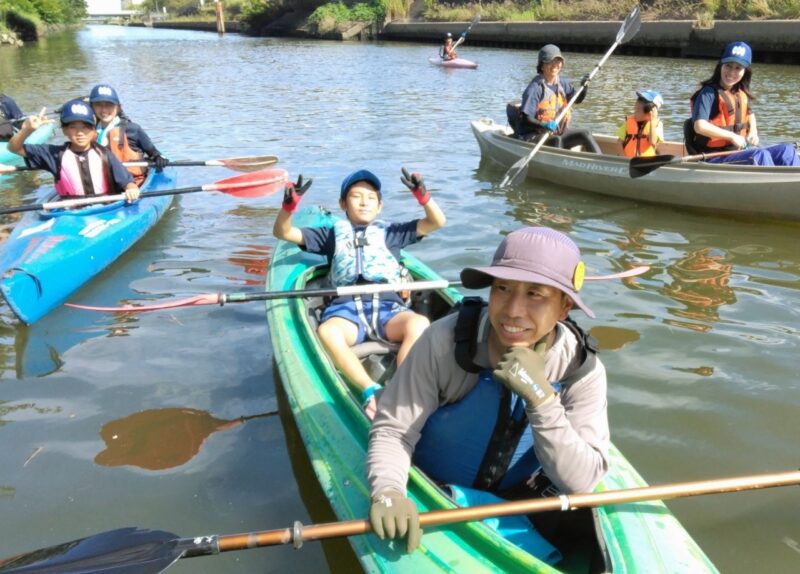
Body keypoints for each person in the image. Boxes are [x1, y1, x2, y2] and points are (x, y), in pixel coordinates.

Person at [366, 227, 609, 554]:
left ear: (565, 307)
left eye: (535, 294)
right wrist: (389, 492)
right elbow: (394, 431)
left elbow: (582, 482)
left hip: (517, 501)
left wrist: (542, 400)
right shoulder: (443, 342)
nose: (512, 310)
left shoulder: (581, 370)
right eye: (503, 288)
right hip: (429, 489)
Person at [273, 168, 447, 419]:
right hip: (347, 310)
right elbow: (283, 232)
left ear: (380, 205)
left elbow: (436, 222)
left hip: (389, 310)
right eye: (356, 196)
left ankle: (403, 389)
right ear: (342, 203)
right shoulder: (330, 235)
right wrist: (289, 208)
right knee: (327, 331)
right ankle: (369, 390)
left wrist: (423, 197)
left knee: (419, 323)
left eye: (371, 197)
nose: (364, 201)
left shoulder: (392, 234)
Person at [689, 41, 800, 166]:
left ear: (745, 71)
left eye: (738, 68)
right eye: (728, 66)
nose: (731, 73)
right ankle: (772, 184)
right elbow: (700, 126)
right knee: (759, 155)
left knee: (787, 151)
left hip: (738, 153)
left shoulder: (739, 92)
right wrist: (732, 136)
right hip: (713, 157)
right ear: (720, 65)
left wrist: (753, 131)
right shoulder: (708, 93)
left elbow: (750, 113)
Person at [8, 100, 140, 202]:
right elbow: (14, 148)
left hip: (107, 208)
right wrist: (27, 130)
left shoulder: (104, 154)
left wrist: (131, 189)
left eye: (85, 127)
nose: (80, 133)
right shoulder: (53, 154)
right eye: (73, 127)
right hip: (70, 214)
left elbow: (127, 182)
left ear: (93, 130)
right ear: (64, 130)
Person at [509, 44, 601, 154]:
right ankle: (561, 167)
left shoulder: (562, 83)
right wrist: (544, 125)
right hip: (533, 136)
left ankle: (601, 162)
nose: (555, 65)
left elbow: (577, 100)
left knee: (585, 133)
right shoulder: (535, 88)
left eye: (558, 61)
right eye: (550, 62)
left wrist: (584, 88)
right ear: (542, 65)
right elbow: (526, 118)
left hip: (555, 133)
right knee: (557, 140)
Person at [89, 83, 168, 185]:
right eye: (99, 105)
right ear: (92, 108)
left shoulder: (133, 129)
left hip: (133, 185)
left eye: (109, 104)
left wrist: (159, 158)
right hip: (103, 186)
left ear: (118, 107)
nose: (104, 109)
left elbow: (154, 152)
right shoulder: (88, 133)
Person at [618, 90, 664, 158]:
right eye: (635, 110)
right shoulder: (628, 122)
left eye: (638, 111)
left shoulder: (657, 125)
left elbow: (653, 142)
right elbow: (619, 143)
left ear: (650, 111)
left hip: (646, 163)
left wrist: (652, 121)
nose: (635, 113)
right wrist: (623, 159)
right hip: (628, 161)